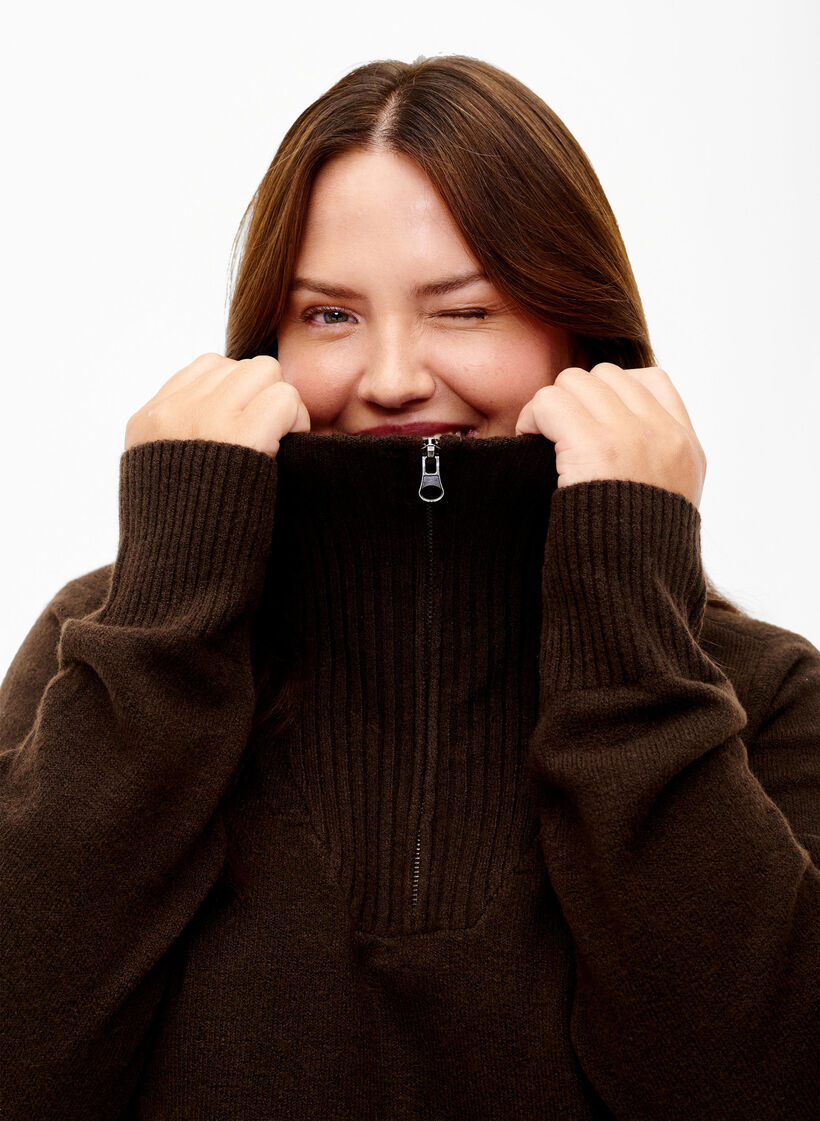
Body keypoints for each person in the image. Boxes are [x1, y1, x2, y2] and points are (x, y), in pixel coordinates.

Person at [1, 53, 817, 1121]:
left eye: (465, 311)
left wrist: (630, 613)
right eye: (329, 316)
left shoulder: (757, 692)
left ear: (582, 334)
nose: (390, 377)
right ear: (267, 344)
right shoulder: (115, 635)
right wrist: (169, 597)